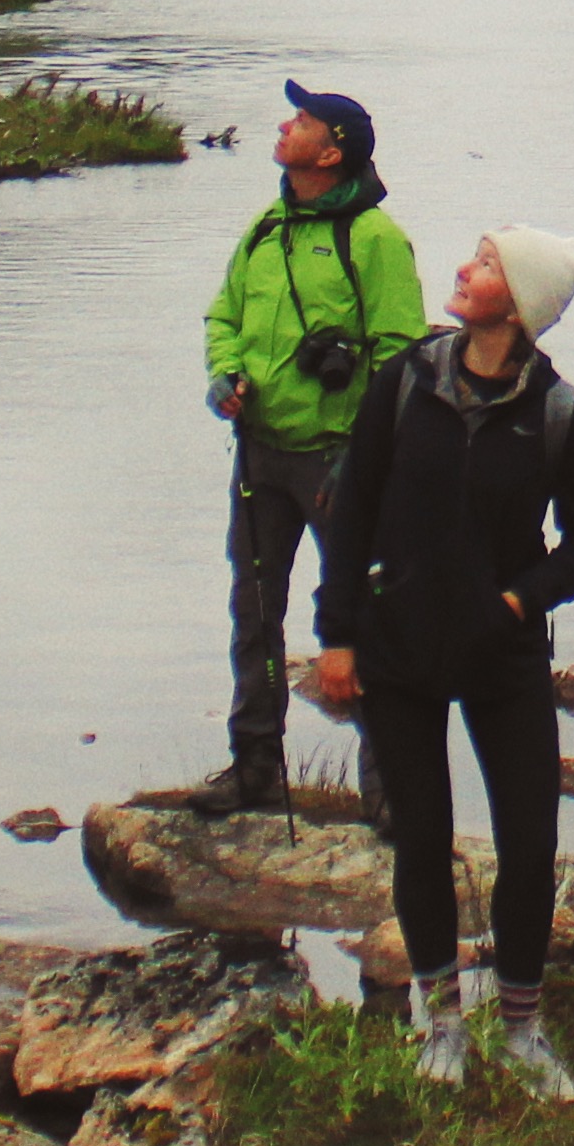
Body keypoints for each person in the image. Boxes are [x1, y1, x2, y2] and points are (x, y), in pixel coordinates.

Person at [310, 223, 574, 1094]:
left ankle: (521, 1026)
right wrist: (337, 636)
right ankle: (442, 1021)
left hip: (501, 654)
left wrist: (519, 599)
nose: (462, 269)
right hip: (396, 649)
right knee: (423, 835)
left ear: (516, 305)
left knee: (529, 839)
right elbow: (353, 506)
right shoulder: (404, 382)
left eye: (483, 264)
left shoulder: (561, 414)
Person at [188, 86, 424, 816]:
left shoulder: (376, 236)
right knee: (253, 611)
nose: (284, 125)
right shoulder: (267, 224)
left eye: (301, 122)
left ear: (331, 151)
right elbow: (223, 313)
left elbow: (399, 353)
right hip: (258, 451)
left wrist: (363, 451)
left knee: (365, 614)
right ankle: (255, 767)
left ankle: (385, 791)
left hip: (338, 460)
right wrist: (222, 374)